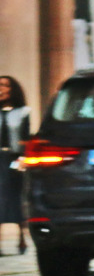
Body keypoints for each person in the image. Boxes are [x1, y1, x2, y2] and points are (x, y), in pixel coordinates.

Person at [0, 76, 30, 256]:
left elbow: (25, 138)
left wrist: (22, 161)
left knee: (16, 198)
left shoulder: (23, 112)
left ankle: (22, 238)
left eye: (5, 85)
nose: (1, 88)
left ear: (13, 89)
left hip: (14, 158)